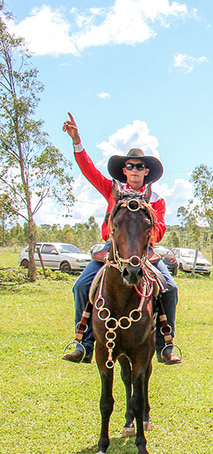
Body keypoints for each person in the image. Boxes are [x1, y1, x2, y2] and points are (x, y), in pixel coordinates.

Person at [60, 113, 180, 365]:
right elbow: (88, 170)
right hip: (112, 249)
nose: (134, 170)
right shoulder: (111, 189)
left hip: (144, 251)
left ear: (147, 171)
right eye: (130, 166)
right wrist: (77, 141)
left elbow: (159, 230)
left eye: (139, 166)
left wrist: (144, 235)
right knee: (81, 286)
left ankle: (165, 346)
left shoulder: (156, 198)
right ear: (124, 170)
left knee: (170, 289)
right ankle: (84, 343)